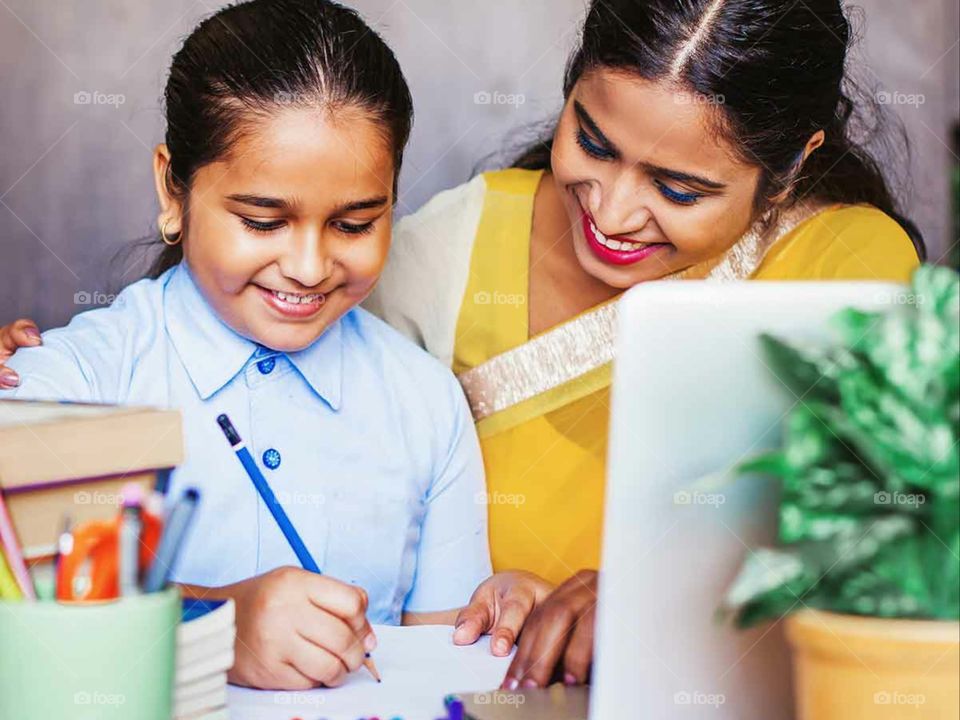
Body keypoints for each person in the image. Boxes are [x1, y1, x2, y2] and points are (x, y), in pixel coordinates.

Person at [0, 0, 925, 692]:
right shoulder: (104, 370)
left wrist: (518, 617)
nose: (609, 209)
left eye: (678, 187)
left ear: (790, 165)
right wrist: (204, 621)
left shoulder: (416, 398)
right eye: (593, 143)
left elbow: (891, 553)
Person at [0, 0, 549, 691]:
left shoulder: (426, 403)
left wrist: (495, 629)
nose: (309, 266)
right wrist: (212, 625)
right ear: (173, 190)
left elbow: (441, 667)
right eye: (263, 221)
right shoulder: (64, 389)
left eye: (354, 224)